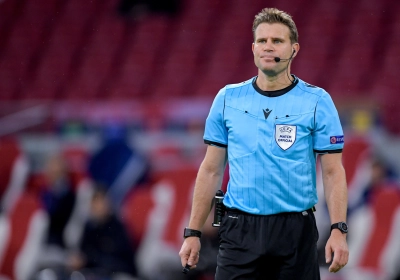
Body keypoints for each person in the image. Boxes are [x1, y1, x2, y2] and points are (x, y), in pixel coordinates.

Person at [179, 7, 349, 280]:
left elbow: (332, 172)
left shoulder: (317, 101)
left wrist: (339, 230)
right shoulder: (227, 99)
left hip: (295, 231)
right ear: (253, 48)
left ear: (294, 49)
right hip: (238, 230)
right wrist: (193, 233)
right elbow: (211, 170)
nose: (268, 47)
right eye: (262, 41)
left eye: (277, 41)